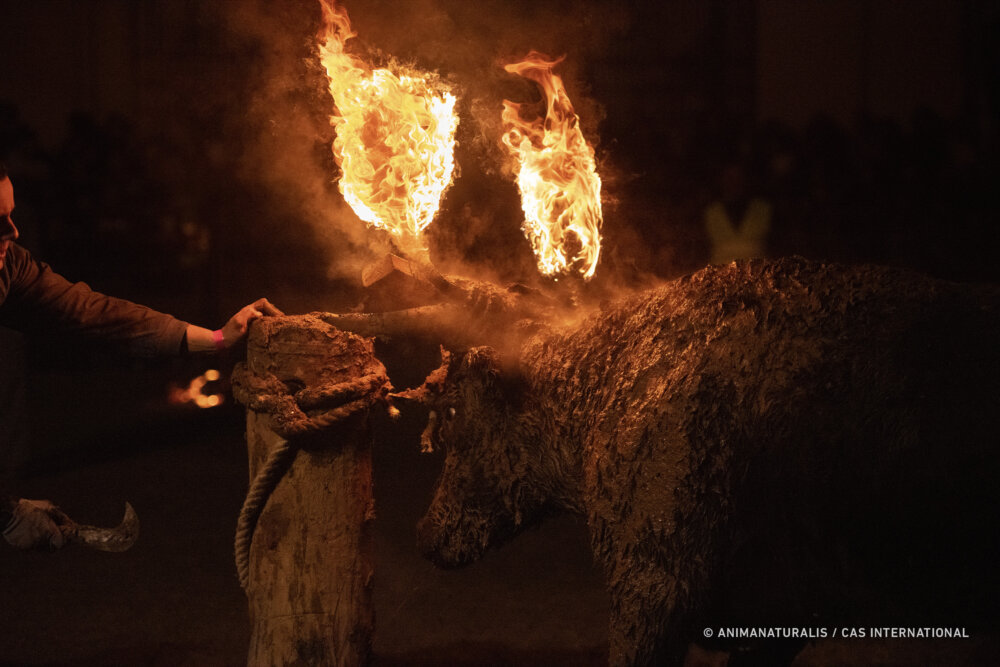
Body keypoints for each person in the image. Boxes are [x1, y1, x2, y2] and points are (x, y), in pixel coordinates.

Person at [0, 161, 284, 550]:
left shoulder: (9, 267)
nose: (12, 232)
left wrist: (218, 337)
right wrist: (6, 514)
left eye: (11, 216)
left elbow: (97, 314)